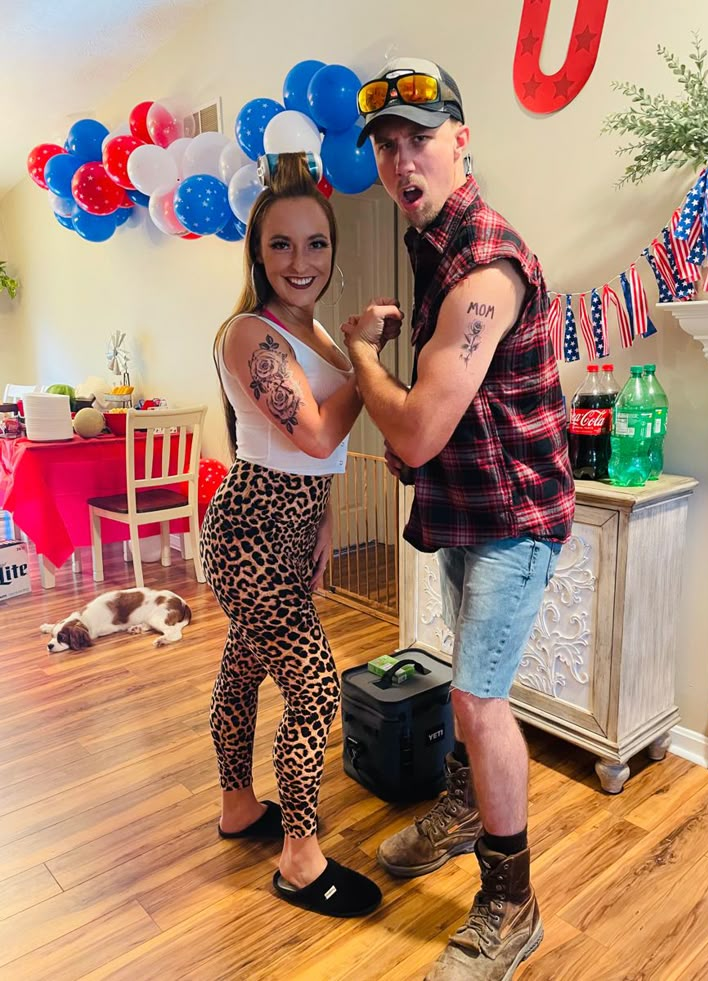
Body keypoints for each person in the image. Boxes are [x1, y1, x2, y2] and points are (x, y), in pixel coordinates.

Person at [342, 59, 575, 978]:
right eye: (388, 145)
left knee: (479, 701)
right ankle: (463, 805)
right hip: (464, 505)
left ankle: (511, 907)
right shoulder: (431, 238)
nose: (404, 163)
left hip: (513, 516)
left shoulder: (483, 266)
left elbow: (417, 421)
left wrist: (362, 353)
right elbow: (440, 426)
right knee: (466, 688)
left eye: (421, 139)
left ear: (462, 140)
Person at [201, 152, 382, 919]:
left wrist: (329, 515)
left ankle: (239, 805)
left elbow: (323, 457)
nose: (301, 260)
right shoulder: (250, 332)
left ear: (331, 251)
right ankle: (300, 857)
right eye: (282, 243)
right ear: (257, 251)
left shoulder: (313, 337)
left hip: (294, 523)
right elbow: (312, 433)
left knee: (245, 666)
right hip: (247, 528)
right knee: (313, 682)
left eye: (316, 243)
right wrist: (370, 363)